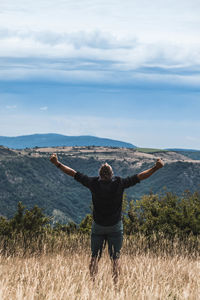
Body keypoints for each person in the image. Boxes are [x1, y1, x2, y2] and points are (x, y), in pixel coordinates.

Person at [50, 153, 164, 283]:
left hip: (98, 226)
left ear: (99, 174)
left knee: (94, 257)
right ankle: (115, 286)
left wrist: (57, 163)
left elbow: (72, 173)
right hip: (115, 226)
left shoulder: (92, 183)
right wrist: (156, 167)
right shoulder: (120, 183)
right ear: (112, 174)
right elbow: (141, 176)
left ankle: (92, 283)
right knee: (115, 259)